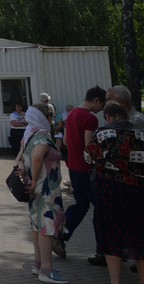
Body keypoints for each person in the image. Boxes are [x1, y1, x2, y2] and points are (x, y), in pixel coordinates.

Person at [86, 99, 144, 284]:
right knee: (141, 235)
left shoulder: (103, 133)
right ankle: (143, 281)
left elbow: (89, 157)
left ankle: (115, 281)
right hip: (141, 192)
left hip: (111, 191)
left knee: (112, 234)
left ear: (107, 116)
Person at [55, 86, 106, 263]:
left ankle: (62, 233)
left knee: (81, 204)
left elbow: (67, 141)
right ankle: (104, 248)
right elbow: (89, 145)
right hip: (87, 169)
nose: (101, 110)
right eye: (102, 105)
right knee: (100, 208)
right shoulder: (90, 118)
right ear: (96, 100)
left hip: (73, 166)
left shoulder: (72, 114)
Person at [22, 103, 66, 283]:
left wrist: (28, 177)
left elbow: (20, 160)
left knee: (36, 225)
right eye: (51, 117)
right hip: (45, 188)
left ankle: (38, 262)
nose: (53, 121)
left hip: (35, 189)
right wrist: (33, 180)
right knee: (47, 227)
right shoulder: (42, 134)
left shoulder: (28, 133)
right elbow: (37, 156)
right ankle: (47, 269)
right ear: (45, 117)